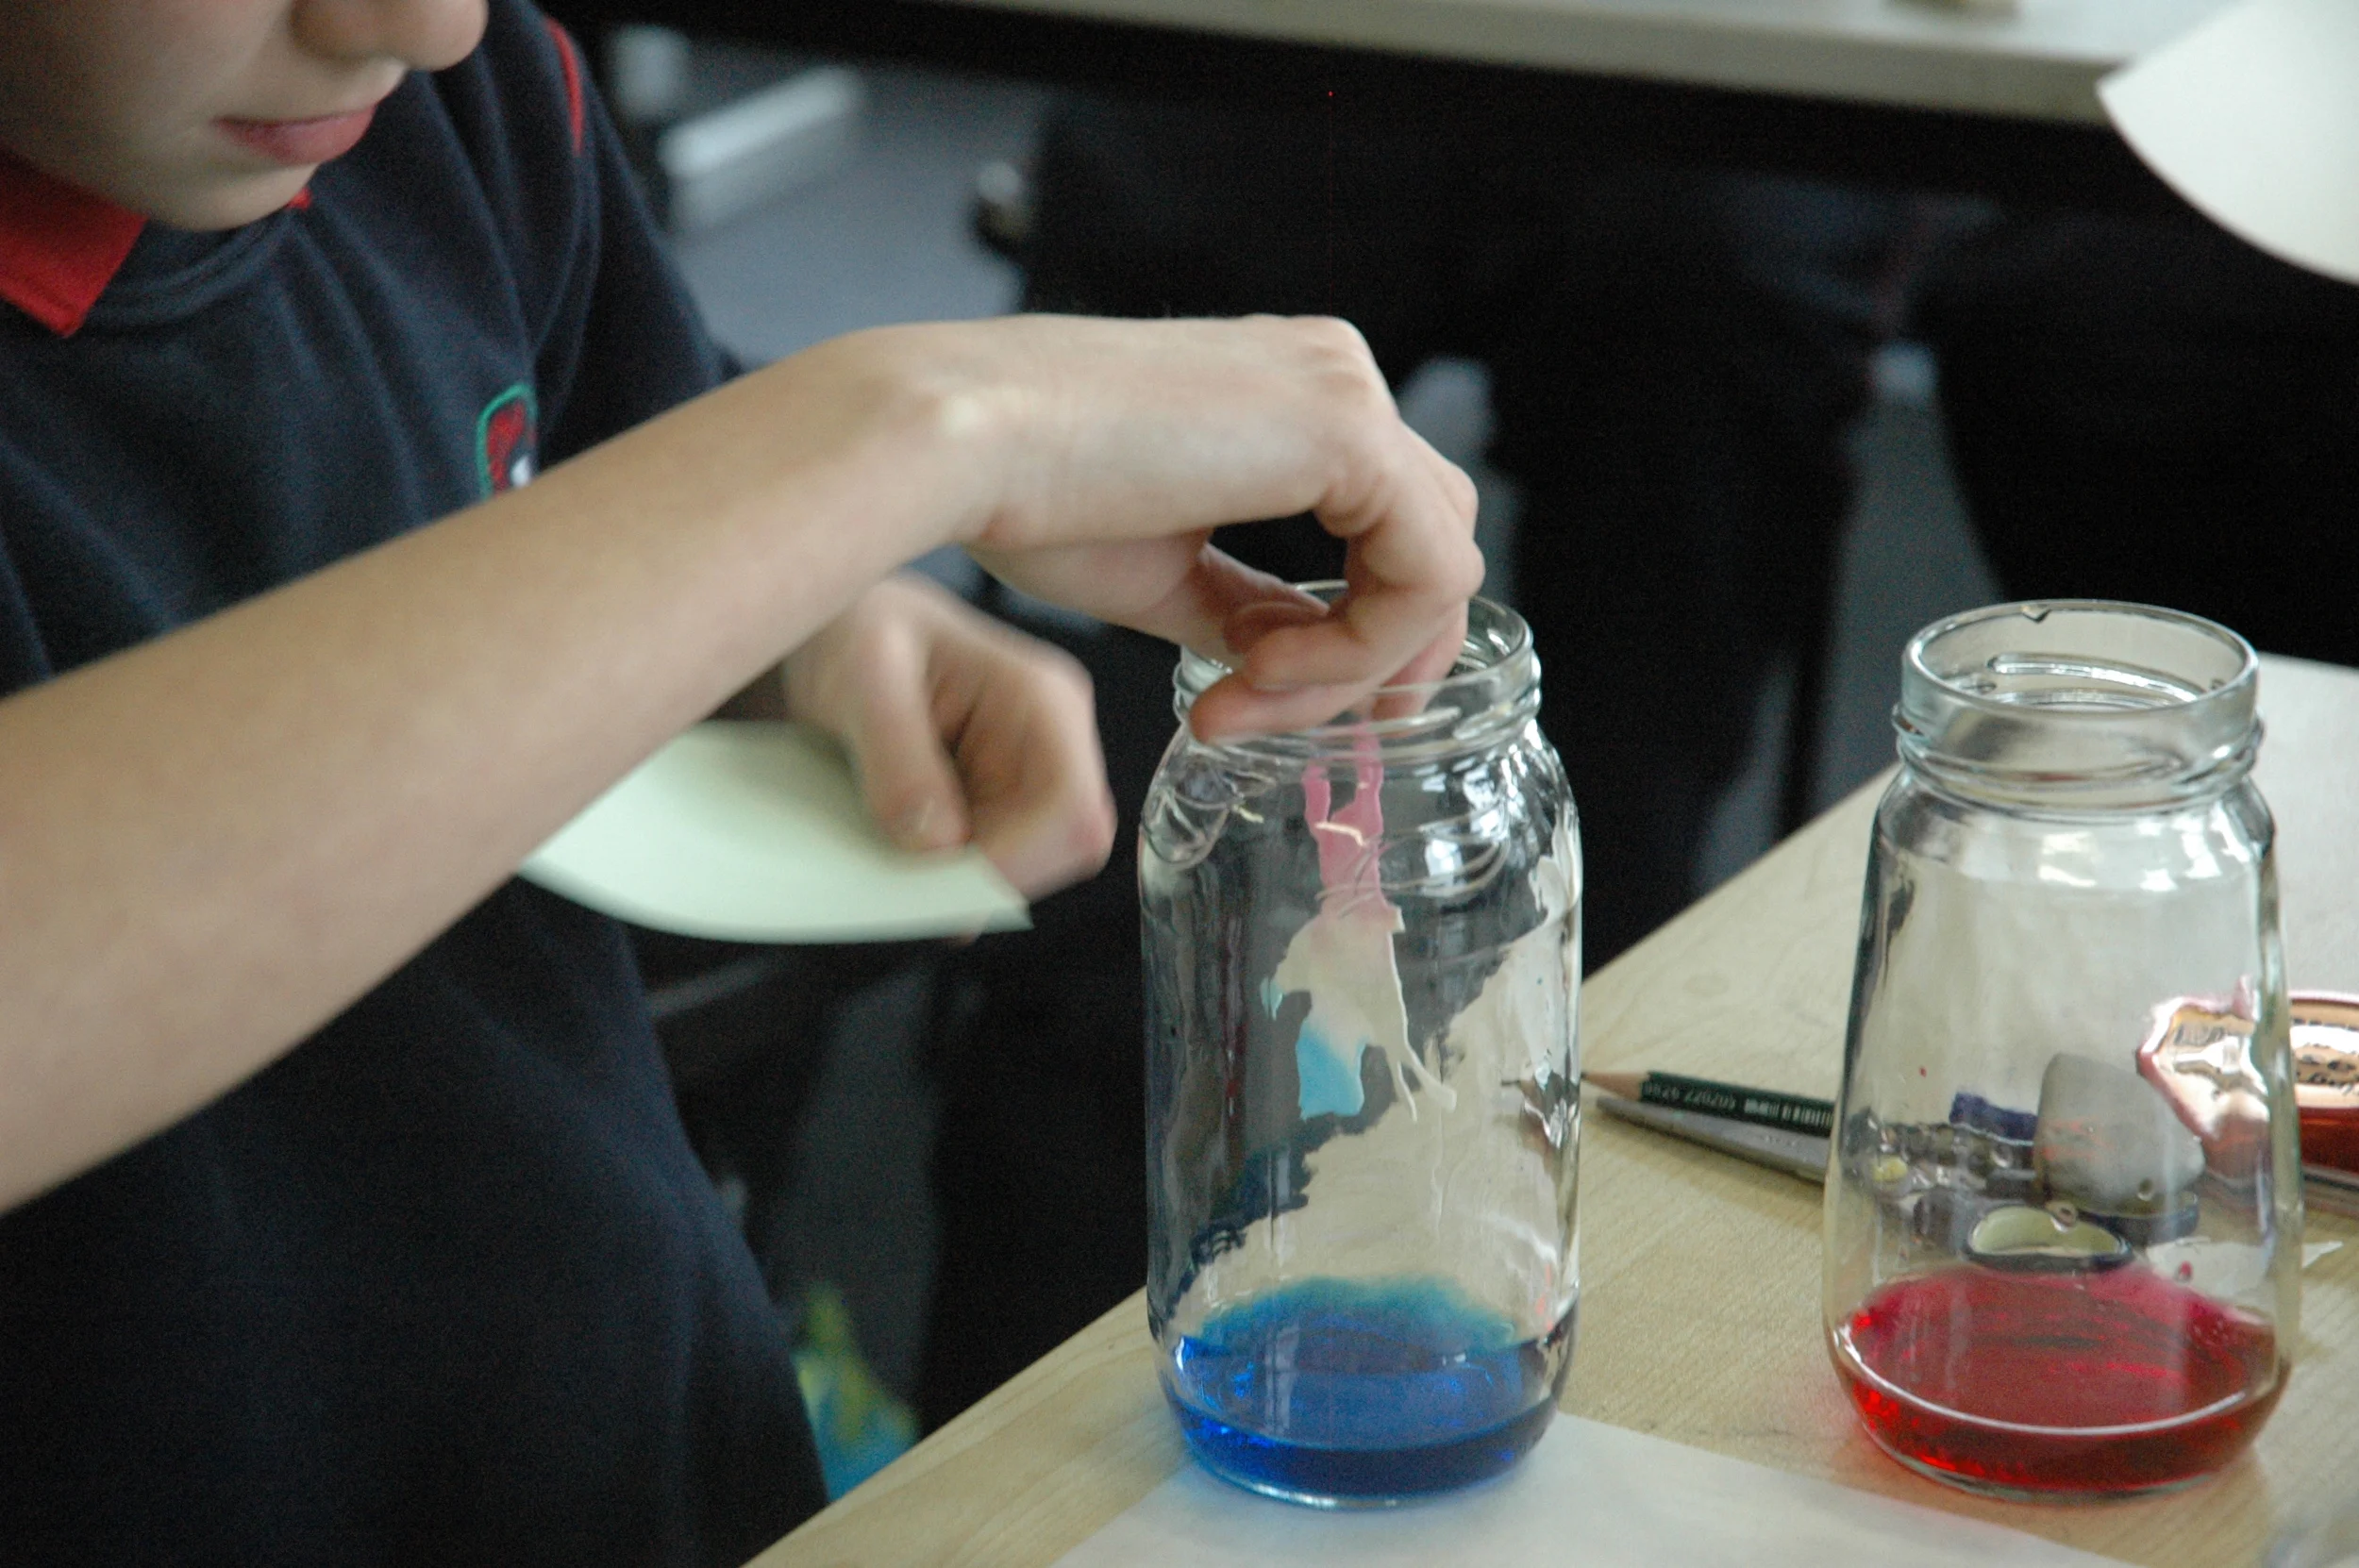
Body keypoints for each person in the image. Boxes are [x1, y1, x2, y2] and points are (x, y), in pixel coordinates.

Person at [0, 2, 1481, 1562]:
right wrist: (923, 429)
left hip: (632, 1450)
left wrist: (814, 627)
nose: (420, 23)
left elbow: (603, 477)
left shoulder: (458, 117)